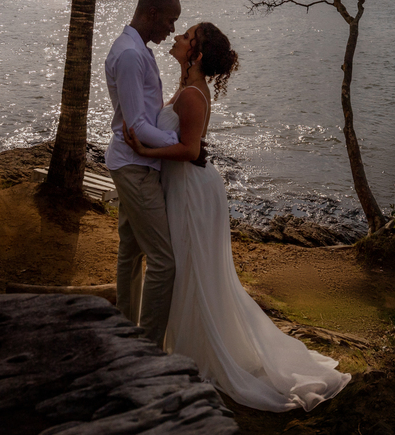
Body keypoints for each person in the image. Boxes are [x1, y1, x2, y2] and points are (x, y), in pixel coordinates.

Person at [125, 22, 351, 412]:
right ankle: (183, 345)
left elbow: (190, 150)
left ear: (196, 54)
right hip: (185, 188)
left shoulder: (192, 95)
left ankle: (200, 351)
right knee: (189, 267)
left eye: (186, 36)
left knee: (194, 268)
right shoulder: (186, 87)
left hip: (192, 192)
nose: (177, 37)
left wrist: (145, 153)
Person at [104, 0, 184, 347]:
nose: (171, 29)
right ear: (152, 13)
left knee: (131, 252)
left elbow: (144, 113)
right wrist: (180, 145)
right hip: (135, 166)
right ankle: (148, 348)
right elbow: (136, 125)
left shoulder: (137, 50)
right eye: (169, 20)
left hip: (133, 162)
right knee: (163, 262)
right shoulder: (131, 55)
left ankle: (125, 335)